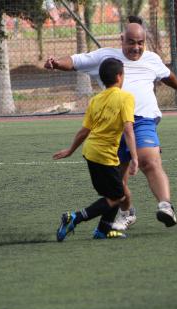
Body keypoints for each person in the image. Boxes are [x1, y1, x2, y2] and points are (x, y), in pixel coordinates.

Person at [44, 17, 177, 232]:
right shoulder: (105, 57)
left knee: (150, 161)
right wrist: (57, 63)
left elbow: (167, 75)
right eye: (131, 42)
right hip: (112, 128)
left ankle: (166, 206)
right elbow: (76, 61)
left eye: (140, 43)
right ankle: (127, 212)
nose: (136, 47)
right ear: (121, 39)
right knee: (119, 183)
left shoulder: (151, 59)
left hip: (142, 120)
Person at [53, 58, 138, 240]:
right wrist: (135, 158)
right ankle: (74, 217)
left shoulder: (95, 100)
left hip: (90, 152)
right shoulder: (126, 97)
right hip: (104, 155)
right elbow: (128, 128)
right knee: (119, 196)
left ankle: (102, 231)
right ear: (119, 76)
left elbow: (85, 131)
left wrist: (70, 150)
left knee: (113, 193)